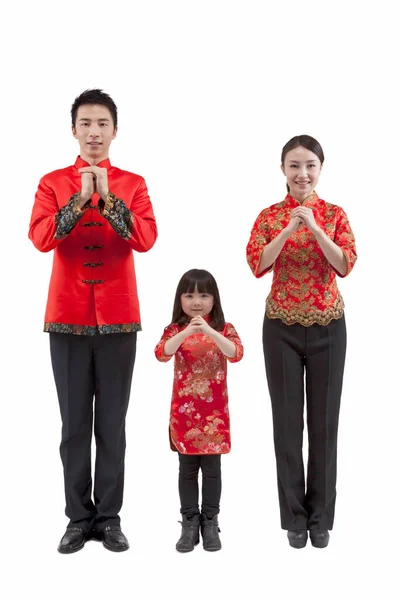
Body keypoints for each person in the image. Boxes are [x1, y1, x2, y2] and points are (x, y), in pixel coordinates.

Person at [28, 89, 157, 554]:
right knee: (74, 427)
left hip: (120, 319)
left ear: (115, 130)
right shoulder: (52, 182)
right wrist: (81, 200)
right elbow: (41, 238)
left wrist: (108, 199)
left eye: (102, 123)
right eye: (85, 123)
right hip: (67, 320)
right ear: (74, 131)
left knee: (112, 425)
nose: (94, 132)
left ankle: (110, 517)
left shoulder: (134, 183)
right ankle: (78, 519)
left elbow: (145, 238)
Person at [246, 135, 357, 549]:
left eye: (310, 165)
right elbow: (257, 264)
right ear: (282, 170)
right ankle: (294, 517)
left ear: (321, 168)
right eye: (294, 165)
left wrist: (313, 225)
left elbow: (345, 264)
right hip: (280, 328)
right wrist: (291, 225)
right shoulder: (270, 216)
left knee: (325, 425)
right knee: (288, 425)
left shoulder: (335, 214)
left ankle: (321, 518)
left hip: (329, 325)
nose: (302, 173)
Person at [155, 269, 243, 552]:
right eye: (189, 294)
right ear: (179, 298)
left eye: (204, 295)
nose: (196, 301)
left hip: (214, 415)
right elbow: (161, 353)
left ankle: (210, 522)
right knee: (187, 471)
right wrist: (187, 331)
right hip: (185, 413)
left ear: (214, 299)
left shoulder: (224, 328)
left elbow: (236, 353)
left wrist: (207, 330)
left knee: (213, 471)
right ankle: (189, 523)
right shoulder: (174, 330)